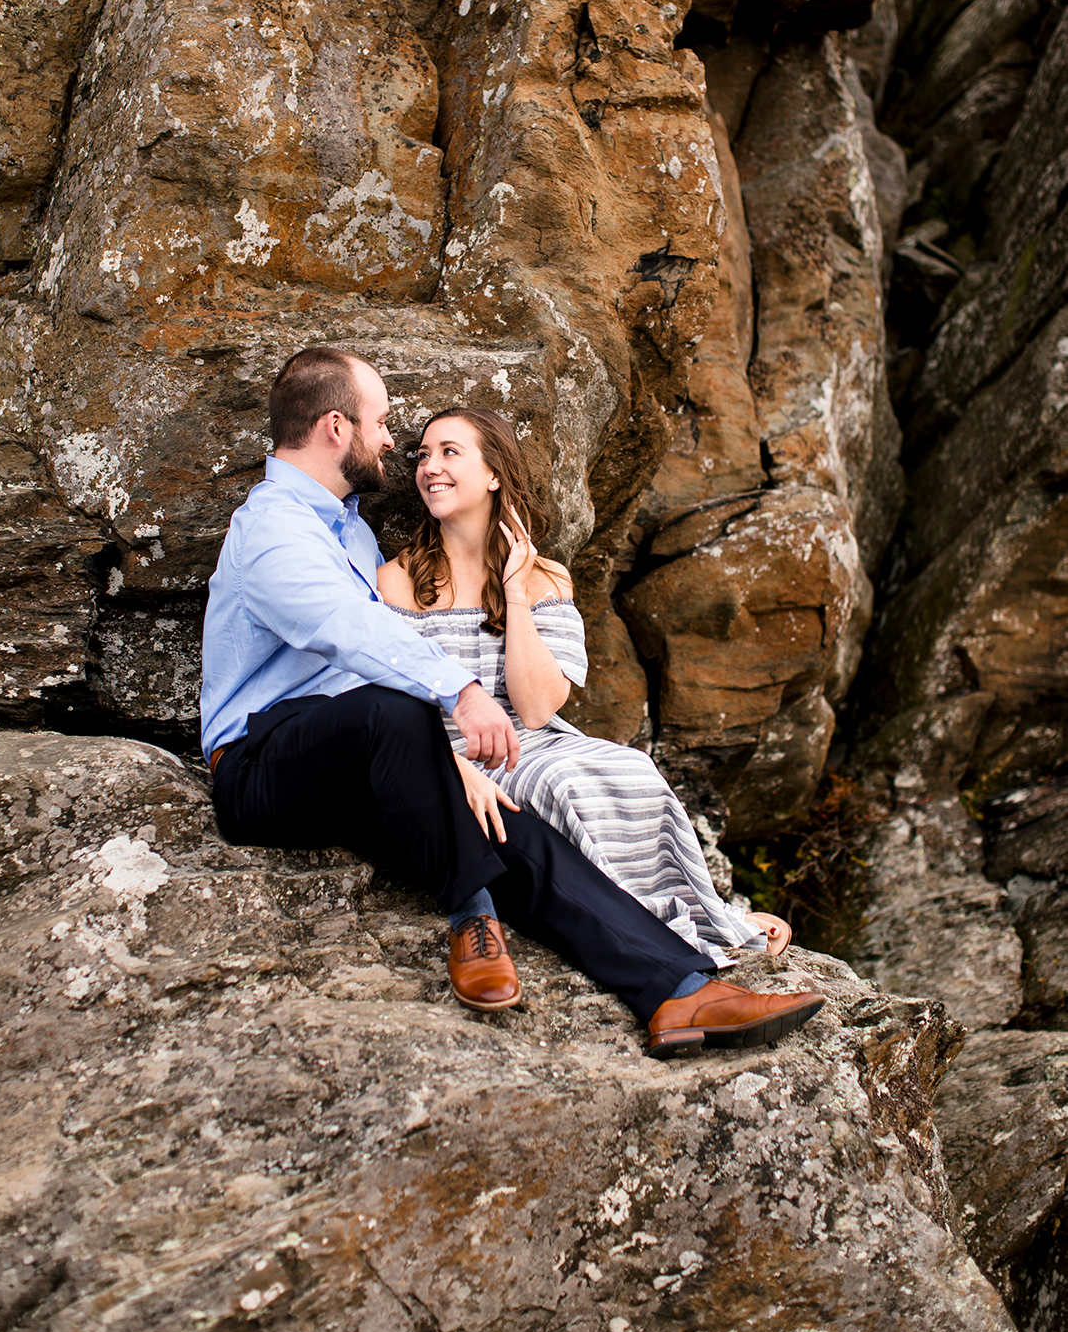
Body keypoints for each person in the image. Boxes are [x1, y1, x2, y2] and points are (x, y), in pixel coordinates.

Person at [200, 345, 824, 1057]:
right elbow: (345, 633)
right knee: (399, 716)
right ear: (336, 428)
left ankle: (678, 991)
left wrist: (440, 764)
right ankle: (472, 916)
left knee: (514, 827)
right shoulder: (275, 527)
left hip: (356, 756)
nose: (391, 443)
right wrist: (459, 693)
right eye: (380, 423)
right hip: (262, 764)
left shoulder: (346, 525)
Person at [377, 405, 791, 969]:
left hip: (535, 738)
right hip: (451, 755)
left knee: (632, 768)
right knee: (564, 783)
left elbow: (538, 705)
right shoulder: (398, 578)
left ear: (494, 472)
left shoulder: (545, 577)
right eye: (424, 455)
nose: (430, 466)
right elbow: (391, 699)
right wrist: (450, 764)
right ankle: (664, 942)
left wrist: (515, 592)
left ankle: (703, 914)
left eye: (451, 451)